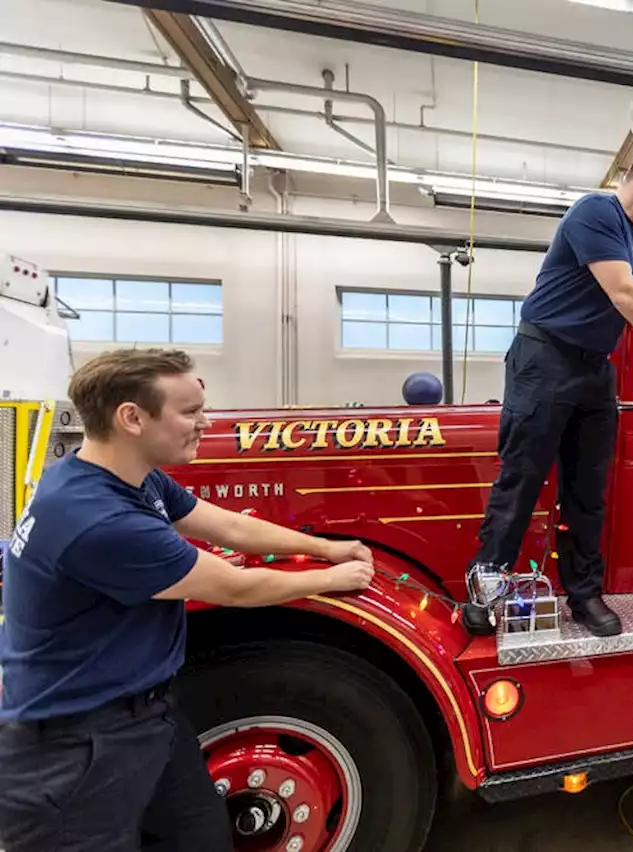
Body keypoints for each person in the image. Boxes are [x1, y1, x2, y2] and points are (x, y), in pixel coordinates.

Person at [0, 348, 376, 852]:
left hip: (144, 715)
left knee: (198, 836)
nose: (205, 422)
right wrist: (332, 580)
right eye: (191, 412)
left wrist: (324, 546)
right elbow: (233, 587)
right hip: (77, 747)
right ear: (131, 417)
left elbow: (225, 523)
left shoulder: (115, 476)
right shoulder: (101, 521)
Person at [470, 143, 633, 638]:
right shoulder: (595, 212)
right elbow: (626, 294)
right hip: (544, 358)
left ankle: (584, 595)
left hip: (594, 371)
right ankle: (485, 586)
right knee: (522, 476)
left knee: (588, 491)